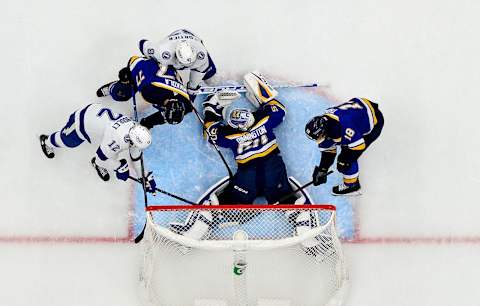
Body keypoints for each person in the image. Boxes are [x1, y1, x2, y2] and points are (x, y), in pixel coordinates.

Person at [202, 71, 296, 204]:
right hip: (272, 168)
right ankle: (301, 219)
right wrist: (263, 96)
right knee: (284, 199)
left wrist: (211, 110)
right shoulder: (264, 121)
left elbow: (211, 134)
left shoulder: (231, 136)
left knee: (233, 202)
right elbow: (279, 110)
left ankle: (208, 218)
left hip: (248, 174)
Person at [39, 103, 157, 192]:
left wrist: (143, 175)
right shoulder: (117, 138)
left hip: (97, 113)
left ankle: (103, 164)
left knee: (112, 154)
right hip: (82, 121)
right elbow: (100, 158)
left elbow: (136, 154)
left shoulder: (135, 129)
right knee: (69, 141)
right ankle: (46, 141)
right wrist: (119, 167)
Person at [305, 97, 384, 195]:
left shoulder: (345, 127)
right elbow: (328, 151)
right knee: (343, 152)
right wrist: (323, 169)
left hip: (374, 119)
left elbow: (358, 146)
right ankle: (349, 173)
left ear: (323, 132)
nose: (319, 141)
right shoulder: (327, 125)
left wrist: (344, 160)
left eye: (319, 137)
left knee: (345, 159)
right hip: (359, 109)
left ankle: (352, 185)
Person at [96, 55, 191, 129]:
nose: (164, 116)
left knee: (169, 112)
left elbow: (171, 113)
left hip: (160, 74)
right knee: (121, 94)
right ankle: (113, 87)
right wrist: (129, 76)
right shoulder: (149, 93)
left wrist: (147, 123)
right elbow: (138, 66)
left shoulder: (186, 106)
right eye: (165, 114)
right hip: (146, 66)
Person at [137, 29, 217, 99]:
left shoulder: (201, 55)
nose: (187, 67)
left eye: (190, 64)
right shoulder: (162, 53)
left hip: (194, 39)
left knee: (210, 76)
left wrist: (192, 90)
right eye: (183, 64)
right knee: (163, 72)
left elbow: (197, 75)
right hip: (171, 44)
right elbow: (142, 43)